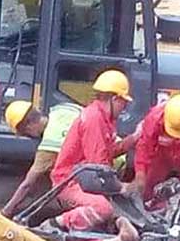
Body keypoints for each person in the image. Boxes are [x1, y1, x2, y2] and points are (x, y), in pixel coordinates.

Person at [49, 70, 134, 231]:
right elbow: (98, 167)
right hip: (69, 182)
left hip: (82, 179)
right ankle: (54, 225)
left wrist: (134, 138)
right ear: (115, 99)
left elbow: (108, 153)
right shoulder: (94, 119)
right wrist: (120, 187)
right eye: (124, 102)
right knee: (103, 208)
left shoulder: (103, 117)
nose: (124, 107)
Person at [0, 99, 82, 218]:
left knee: (60, 183)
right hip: (114, 146)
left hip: (105, 166)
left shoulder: (49, 145)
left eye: (25, 134)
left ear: (28, 126)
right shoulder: (63, 109)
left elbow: (27, 185)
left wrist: (6, 211)